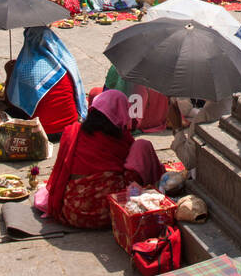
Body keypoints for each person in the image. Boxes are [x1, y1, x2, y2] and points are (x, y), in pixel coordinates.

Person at [44, 91, 163, 229]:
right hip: (113, 211)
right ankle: (160, 187)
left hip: (72, 211)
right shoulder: (121, 137)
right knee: (142, 146)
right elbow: (133, 164)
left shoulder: (75, 131)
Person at [4, 26, 87, 137]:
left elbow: (11, 101)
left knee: (9, 110)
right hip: (71, 124)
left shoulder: (26, 70)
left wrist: (9, 74)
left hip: (42, 131)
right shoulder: (66, 62)